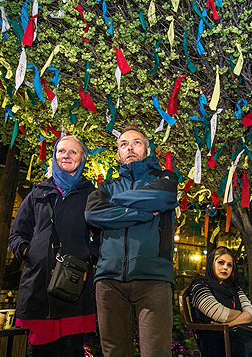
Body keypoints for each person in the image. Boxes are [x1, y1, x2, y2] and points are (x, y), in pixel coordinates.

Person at [84, 126, 178, 357]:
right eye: (123, 144)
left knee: (156, 352)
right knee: (114, 351)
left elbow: (163, 197)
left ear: (147, 149)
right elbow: (92, 214)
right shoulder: (106, 187)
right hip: (109, 281)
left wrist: (116, 204)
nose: (130, 148)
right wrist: (143, 213)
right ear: (118, 153)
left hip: (153, 279)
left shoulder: (165, 179)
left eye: (136, 142)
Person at [9, 136, 98, 357]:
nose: (66, 156)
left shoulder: (91, 195)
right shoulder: (37, 193)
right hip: (39, 285)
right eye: (61, 151)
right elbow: (17, 233)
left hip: (74, 285)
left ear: (82, 158)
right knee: (41, 350)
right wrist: (30, 252)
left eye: (73, 152)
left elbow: (103, 235)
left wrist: (89, 257)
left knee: (71, 349)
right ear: (54, 156)